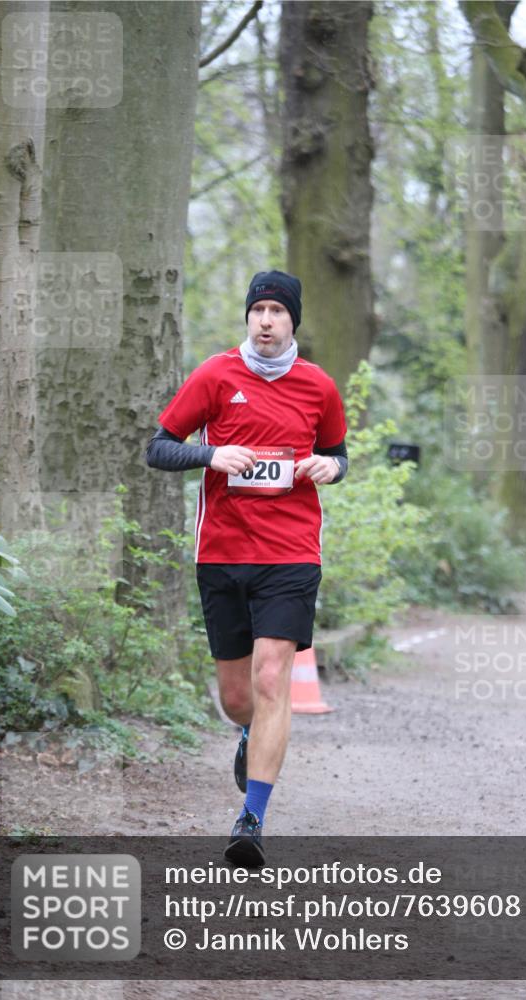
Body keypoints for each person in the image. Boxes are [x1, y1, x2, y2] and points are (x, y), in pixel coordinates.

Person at [145, 270, 348, 865]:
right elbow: (158, 447)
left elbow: (337, 456)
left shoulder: (319, 387)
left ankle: (251, 819)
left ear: (292, 322)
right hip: (223, 553)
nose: (265, 320)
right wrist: (211, 453)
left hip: (290, 555)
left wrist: (328, 469)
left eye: (276, 311)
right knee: (238, 697)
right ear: (247, 318)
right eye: (257, 309)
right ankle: (245, 735)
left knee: (269, 680)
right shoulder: (215, 374)